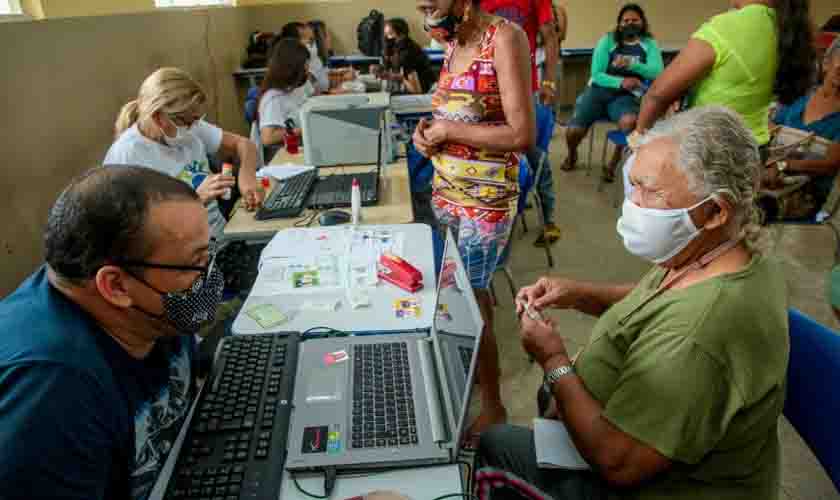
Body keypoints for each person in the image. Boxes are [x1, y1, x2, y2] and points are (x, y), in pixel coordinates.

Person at [480, 107, 789, 500]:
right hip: (627, 423)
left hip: (642, 478)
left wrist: (553, 360)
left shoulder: (701, 333)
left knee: (496, 447)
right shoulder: (714, 251)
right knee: (546, 402)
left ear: (715, 211)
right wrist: (577, 294)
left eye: (650, 191)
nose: (633, 203)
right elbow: (658, 299)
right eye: (634, 184)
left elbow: (619, 464)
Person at [0, 166, 223, 500]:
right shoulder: (50, 396)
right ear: (116, 286)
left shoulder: (148, 308)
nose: (209, 275)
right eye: (196, 263)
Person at [413, 0, 535, 435]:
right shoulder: (453, 42)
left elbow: (521, 133)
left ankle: (494, 406)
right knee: (459, 295)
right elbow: (457, 114)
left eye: (432, 3)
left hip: (485, 201)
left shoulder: (504, 38)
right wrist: (428, 134)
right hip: (447, 191)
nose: (425, 10)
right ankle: (472, 374)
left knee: (473, 299)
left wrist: (449, 131)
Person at [105, 67, 263, 243]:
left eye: (195, 119)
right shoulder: (127, 156)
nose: (193, 127)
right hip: (181, 251)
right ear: (158, 118)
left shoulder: (190, 127)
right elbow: (132, 228)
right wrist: (195, 200)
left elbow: (244, 145)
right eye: (186, 122)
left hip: (219, 237)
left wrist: (247, 178)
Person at [635, 0, 815, 150]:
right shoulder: (786, 29)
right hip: (754, 148)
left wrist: (637, 142)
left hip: (709, 152)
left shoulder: (728, 26)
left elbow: (657, 94)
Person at [481, 0, 562, 247]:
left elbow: (550, 36)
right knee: (489, 155)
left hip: (524, 87)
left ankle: (548, 218)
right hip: (486, 87)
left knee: (534, 154)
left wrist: (549, 81)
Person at [562, 3, 663, 183]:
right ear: (619, 23)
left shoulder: (649, 43)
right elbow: (597, 74)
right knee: (573, 131)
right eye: (626, 20)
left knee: (630, 123)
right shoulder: (608, 40)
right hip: (598, 92)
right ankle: (572, 154)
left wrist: (633, 65)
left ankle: (613, 163)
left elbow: (657, 71)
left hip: (626, 96)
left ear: (643, 22)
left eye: (635, 20)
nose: (630, 24)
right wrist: (621, 82)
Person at [762, 38, 840, 218]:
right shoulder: (801, 96)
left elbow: (829, 165)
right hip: (772, 177)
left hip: (807, 196)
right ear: (826, 64)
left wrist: (782, 165)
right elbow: (771, 129)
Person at [258, 38, 311, 148]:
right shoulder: (274, 98)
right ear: (293, 67)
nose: (307, 69)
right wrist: (302, 129)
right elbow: (267, 138)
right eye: (305, 66)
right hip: (289, 152)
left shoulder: (293, 89)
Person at [382, 18, 437, 94]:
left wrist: (400, 78)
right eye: (386, 34)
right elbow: (392, 69)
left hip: (424, 92)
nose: (388, 38)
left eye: (390, 34)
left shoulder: (408, 53)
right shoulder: (395, 47)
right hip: (408, 89)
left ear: (402, 34)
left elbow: (417, 91)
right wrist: (382, 71)